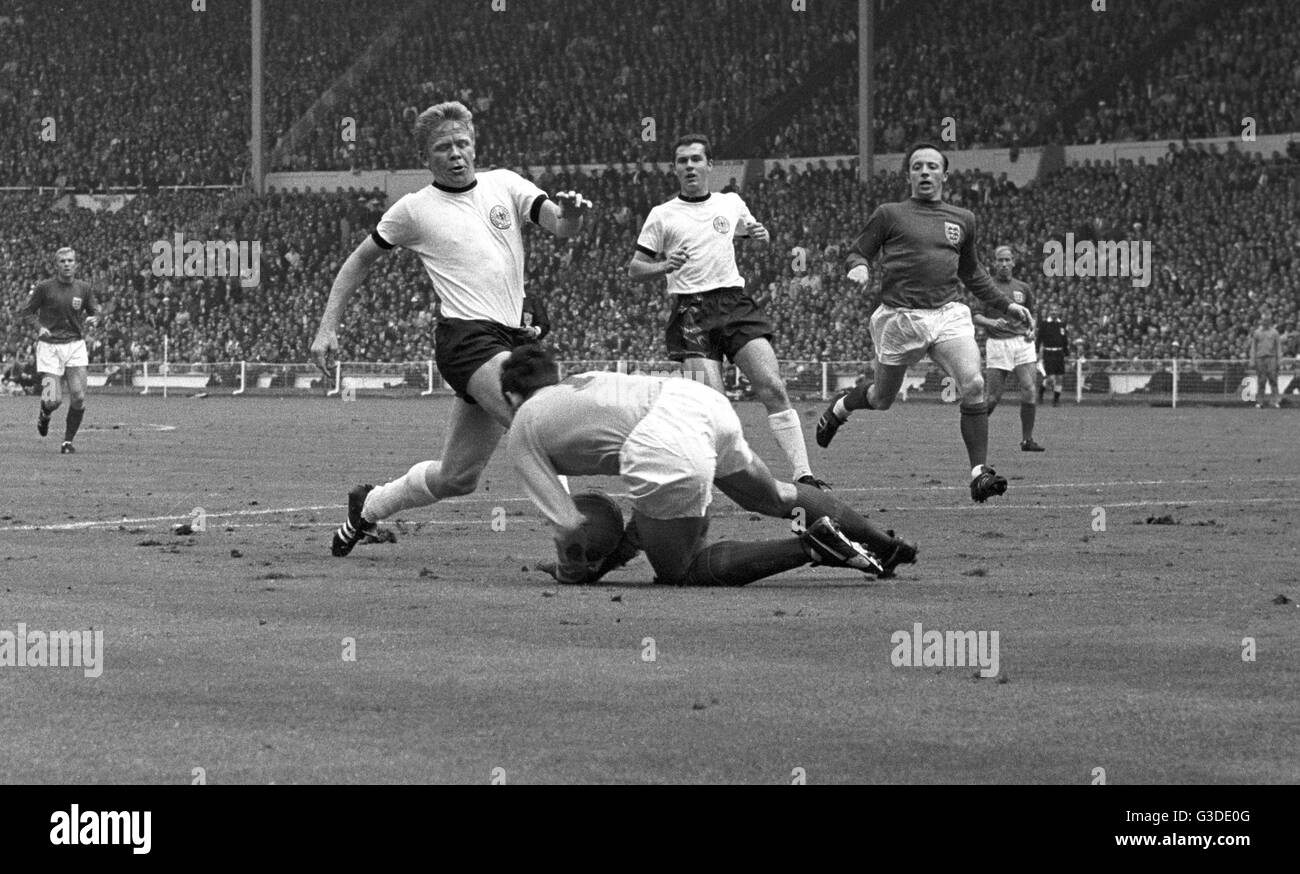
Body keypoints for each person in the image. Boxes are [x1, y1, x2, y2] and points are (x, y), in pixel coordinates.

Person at [310, 101, 592, 557]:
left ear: (475, 145)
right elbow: (360, 259)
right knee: (534, 421)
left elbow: (560, 226)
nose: (456, 153)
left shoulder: (505, 184)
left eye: (463, 143)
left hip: (511, 337)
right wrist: (328, 326)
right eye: (444, 147)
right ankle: (576, 538)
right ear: (428, 157)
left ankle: (369, 506)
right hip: (466, 342)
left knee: (457, 477)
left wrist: (574, 215)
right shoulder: (414, 210)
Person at [500, 345, 916, 586]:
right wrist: (612, 558)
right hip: (696, 401)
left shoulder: (523, 423)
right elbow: (647, 510)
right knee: (776, 494)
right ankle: (883, 543)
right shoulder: (582, 381)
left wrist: (573, 570)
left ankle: (811, 546)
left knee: (680, 571)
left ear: (511, 395)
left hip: (661, 439)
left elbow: (570, 525)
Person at [816, 143, 1033, 502]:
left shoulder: (963, 219)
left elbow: (972, 273)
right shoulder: (889, 214)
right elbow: (859, 251)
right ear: (909, 175)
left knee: (974, 383)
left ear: (945, 175)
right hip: (900, 319)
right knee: (882, 398)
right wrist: (858, 266)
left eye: (933, 166)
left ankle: (979, 474)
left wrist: (1006, 306)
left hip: (947, 314)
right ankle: (841, 409)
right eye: (918, 167)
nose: (925, 172)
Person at [628, 134, 830, 491]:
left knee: (772, 387)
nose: (689, 166)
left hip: (734, 303)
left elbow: (752, 234)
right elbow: (635, 268)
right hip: (691, 313)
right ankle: (727, 482)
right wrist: (663, 266)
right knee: (715, 409)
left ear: (710, 165)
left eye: (695, 159)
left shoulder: (730, 202)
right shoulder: (662, 215)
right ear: (675, 169)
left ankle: (804, 475)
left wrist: (760, 235)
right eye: (681, 161)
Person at [19, 247, 99, 453]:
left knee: (79, 397)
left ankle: (67, 442)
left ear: (76, 264)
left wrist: (94, 319)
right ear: (56, 265)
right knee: (52, 400)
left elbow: (94, 311)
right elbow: (27, 312)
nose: (67, 264)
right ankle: (44, 413)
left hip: (75, 346)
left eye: (70, 260)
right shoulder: (44, 288)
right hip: (49, 348)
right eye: (62, 261)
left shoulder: (84, 288)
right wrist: (39, 327)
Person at [972, 246, 1044, 452]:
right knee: (993, 398)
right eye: (1000, 260)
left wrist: (1033, 330)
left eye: (1007, 260)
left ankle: (1027, 440)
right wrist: (991, 323)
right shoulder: (987, 287)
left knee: (1030, 390)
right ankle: (972, 427)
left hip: (1022, 343)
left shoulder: (1023, 288)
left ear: (1013, 262)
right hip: (997, 344)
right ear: (994, 262)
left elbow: (1033, 313)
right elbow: (975, 315)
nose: (1004, 264)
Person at [1037, 304, 1070, 406]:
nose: (1054, 312)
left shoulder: (1062, 324)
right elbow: (1039, 339)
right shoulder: (1044, 324)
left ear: (1059, 312)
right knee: (1051, 378)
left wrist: (1066, 354)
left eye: (1056, 310)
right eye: (1052, 310)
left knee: (1060, 378)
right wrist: (1037, 352)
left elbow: (1064, 340)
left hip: (1059, 353)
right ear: (1049, 312)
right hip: (1048, 353)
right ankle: (1041, 393)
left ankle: (1056, 400)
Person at [1247, 313, 1282, 409]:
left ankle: (1276, 401)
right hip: (1260, 359)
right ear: (1261, 321)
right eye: (1263, 320)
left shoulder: (1275, 333)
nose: (1265, 322)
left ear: (1270, 321)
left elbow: (1278, 347)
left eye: (1267, 320)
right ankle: (1260, 402)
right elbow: (1253, 347)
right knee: (1261, 381)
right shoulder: (1257, 332)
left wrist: (1279, 360)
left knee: (1273, 380)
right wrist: (1252, 360)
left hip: (1271, 358)